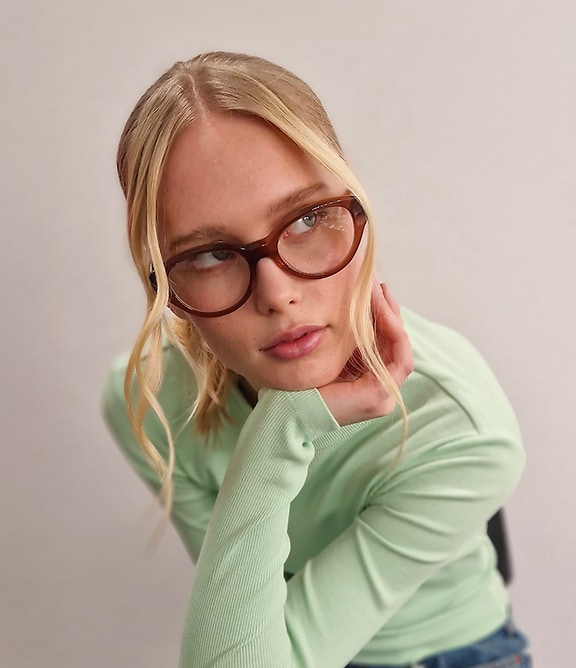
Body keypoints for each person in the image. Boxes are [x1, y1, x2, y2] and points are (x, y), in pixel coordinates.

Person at [102, 51, 531, 668]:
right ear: (166, 288)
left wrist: (279, 430)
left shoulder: (461, 426)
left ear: (355, 204)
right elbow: (247, 639)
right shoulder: (153, 402)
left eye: (306, 219)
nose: (278, 295)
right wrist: (284, 425)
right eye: (208, 255)